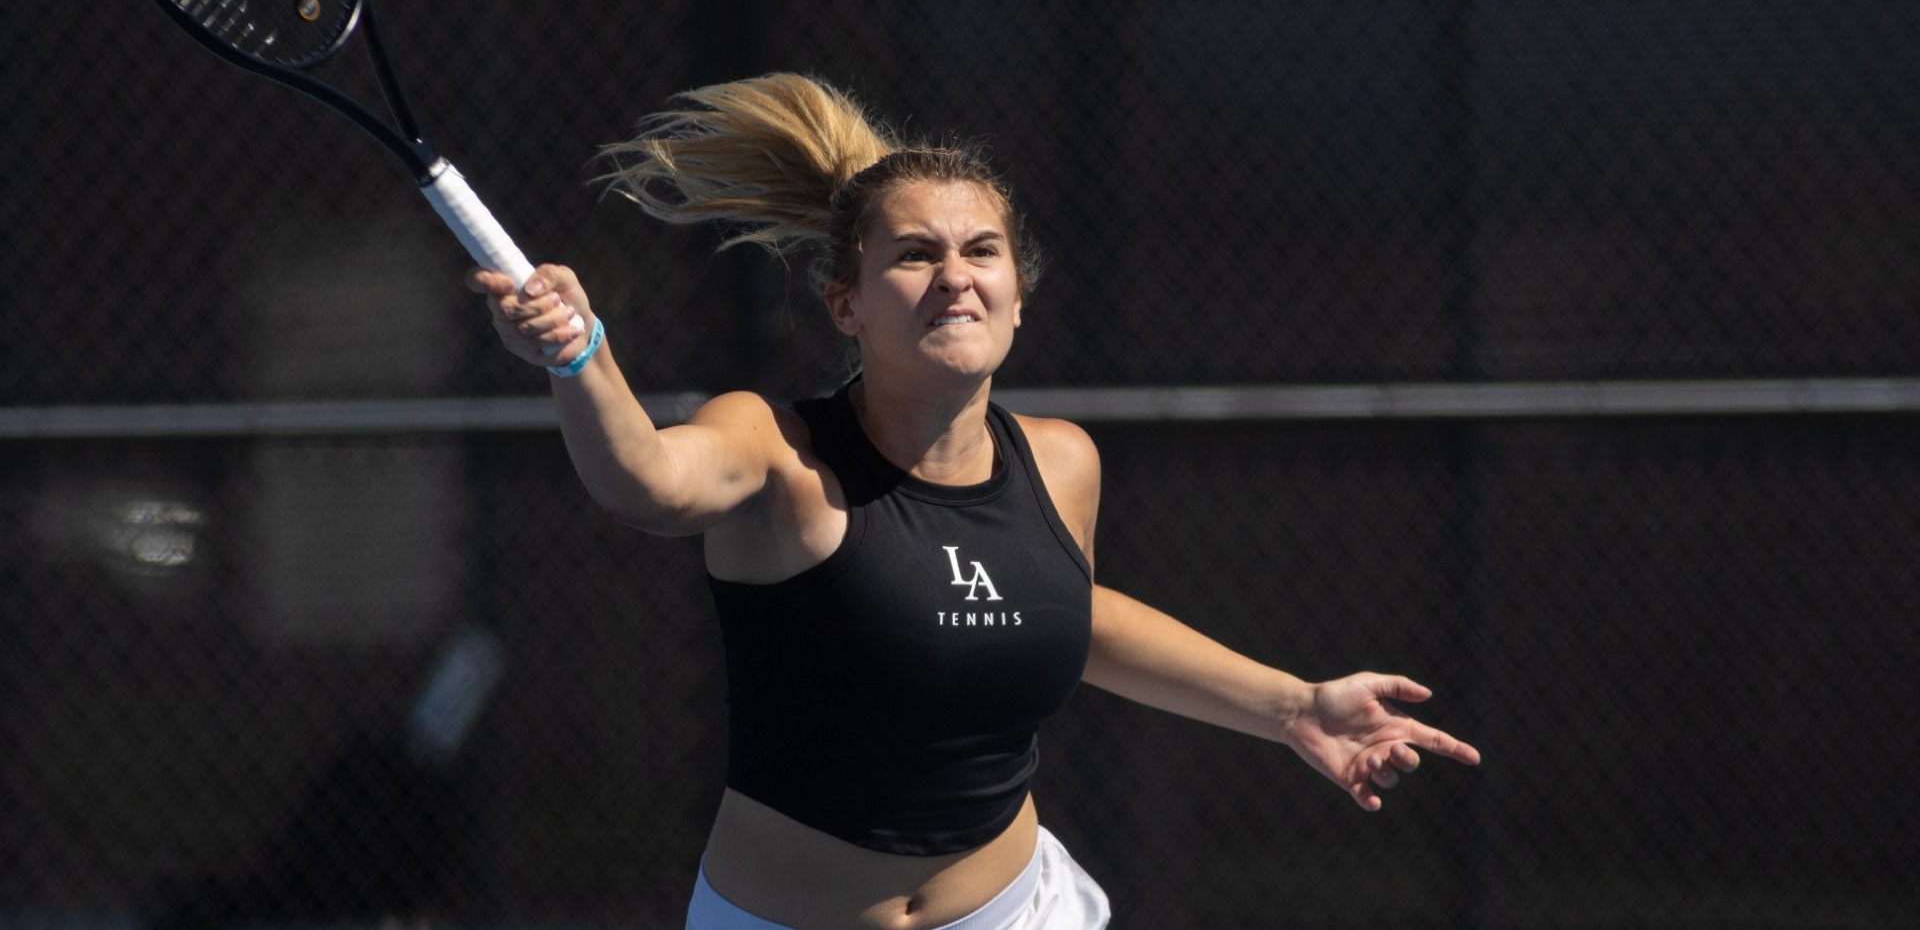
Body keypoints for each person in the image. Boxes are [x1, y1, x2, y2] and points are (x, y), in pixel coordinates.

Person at [467, 73, 1481, 930]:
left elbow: (1062, 615)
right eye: (915, 254)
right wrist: (580, 356)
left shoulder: (1062, 461)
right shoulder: (778, 449)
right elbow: (643, 483)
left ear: (1018, 297)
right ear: (846, 303)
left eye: (981, 251)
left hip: (1016, 909)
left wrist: (1295, 707)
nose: (955, 277)